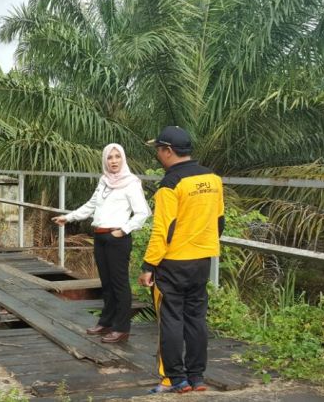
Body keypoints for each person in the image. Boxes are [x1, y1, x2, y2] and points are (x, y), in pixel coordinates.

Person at [138, 126, 225, 394]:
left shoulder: (170, 184)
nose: (158, 155)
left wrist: (149, 265)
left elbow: (162, 230)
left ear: (168, 151)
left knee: (171, 319)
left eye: (158, 150)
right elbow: (219, 221)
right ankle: (197, 376)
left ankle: (174, 379)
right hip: (202, 260)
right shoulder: (213, 179)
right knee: (196, 318)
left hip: (173, 263)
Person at [52, 143, 150, 343]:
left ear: (123, 159)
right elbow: (91, 205)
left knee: (119, 284)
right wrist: (68, 218)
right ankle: (106, 322)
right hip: (100, 236)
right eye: (110, 157)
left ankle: (122, 328)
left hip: (117, 239)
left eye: (117, 157)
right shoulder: (104, 181)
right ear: (105, 160)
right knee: (106, 283)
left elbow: (142, 212)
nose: (113, 161)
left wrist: (123, 230)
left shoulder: (131, 182)